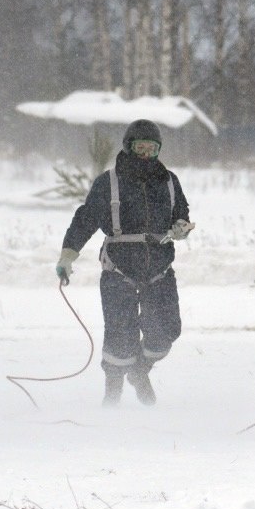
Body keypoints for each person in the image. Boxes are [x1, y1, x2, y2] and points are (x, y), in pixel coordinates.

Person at [54, 119, 193, 407]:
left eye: (152, 149)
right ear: (128, 147)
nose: (146, 154)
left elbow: (182, 212)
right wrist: (68, 255)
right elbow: (85, 219)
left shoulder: (170, 181)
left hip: (160, 269)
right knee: (120, 336)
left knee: (166, 331)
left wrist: (181, 226)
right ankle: (112, 392)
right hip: (119, 269)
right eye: (140, 147)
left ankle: (140, 370)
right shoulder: (108, 182)